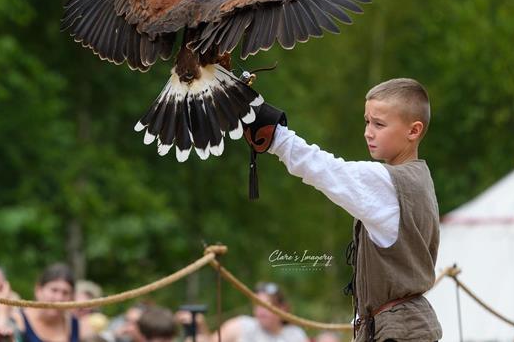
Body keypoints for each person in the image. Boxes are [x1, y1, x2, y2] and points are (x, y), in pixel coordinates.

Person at [244, 78, 442, 341]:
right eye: (367, 121)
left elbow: (325, 169)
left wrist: (276, 136)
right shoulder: (419, 178)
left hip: (400, 329)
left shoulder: (389, 182)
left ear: (414, 131)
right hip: (403, 324)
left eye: (379, 124)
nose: (368, 132)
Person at [186, 282, 307, 342]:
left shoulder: (296, 335)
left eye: (267, 306)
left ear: (283, 308)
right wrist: (200, 326)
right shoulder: (242, 325)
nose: (261, 311)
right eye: (257, 305)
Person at [12, 263, 79, 342]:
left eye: (65, 293)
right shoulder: (17, 320)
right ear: (38, 290)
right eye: (54, 290)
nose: (59, 298)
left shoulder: (74, 324)